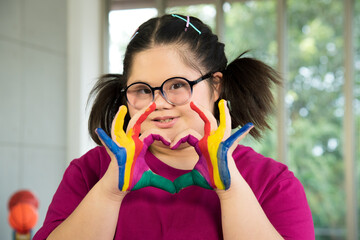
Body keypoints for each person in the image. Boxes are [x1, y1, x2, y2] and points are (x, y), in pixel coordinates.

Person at [33, 14, 314, 240]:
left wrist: (231, 191)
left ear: (216, 86)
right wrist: (109, 191)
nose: (158, 103)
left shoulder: (274, 182)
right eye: (142, 90)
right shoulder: (89, 172)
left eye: (177, 85)